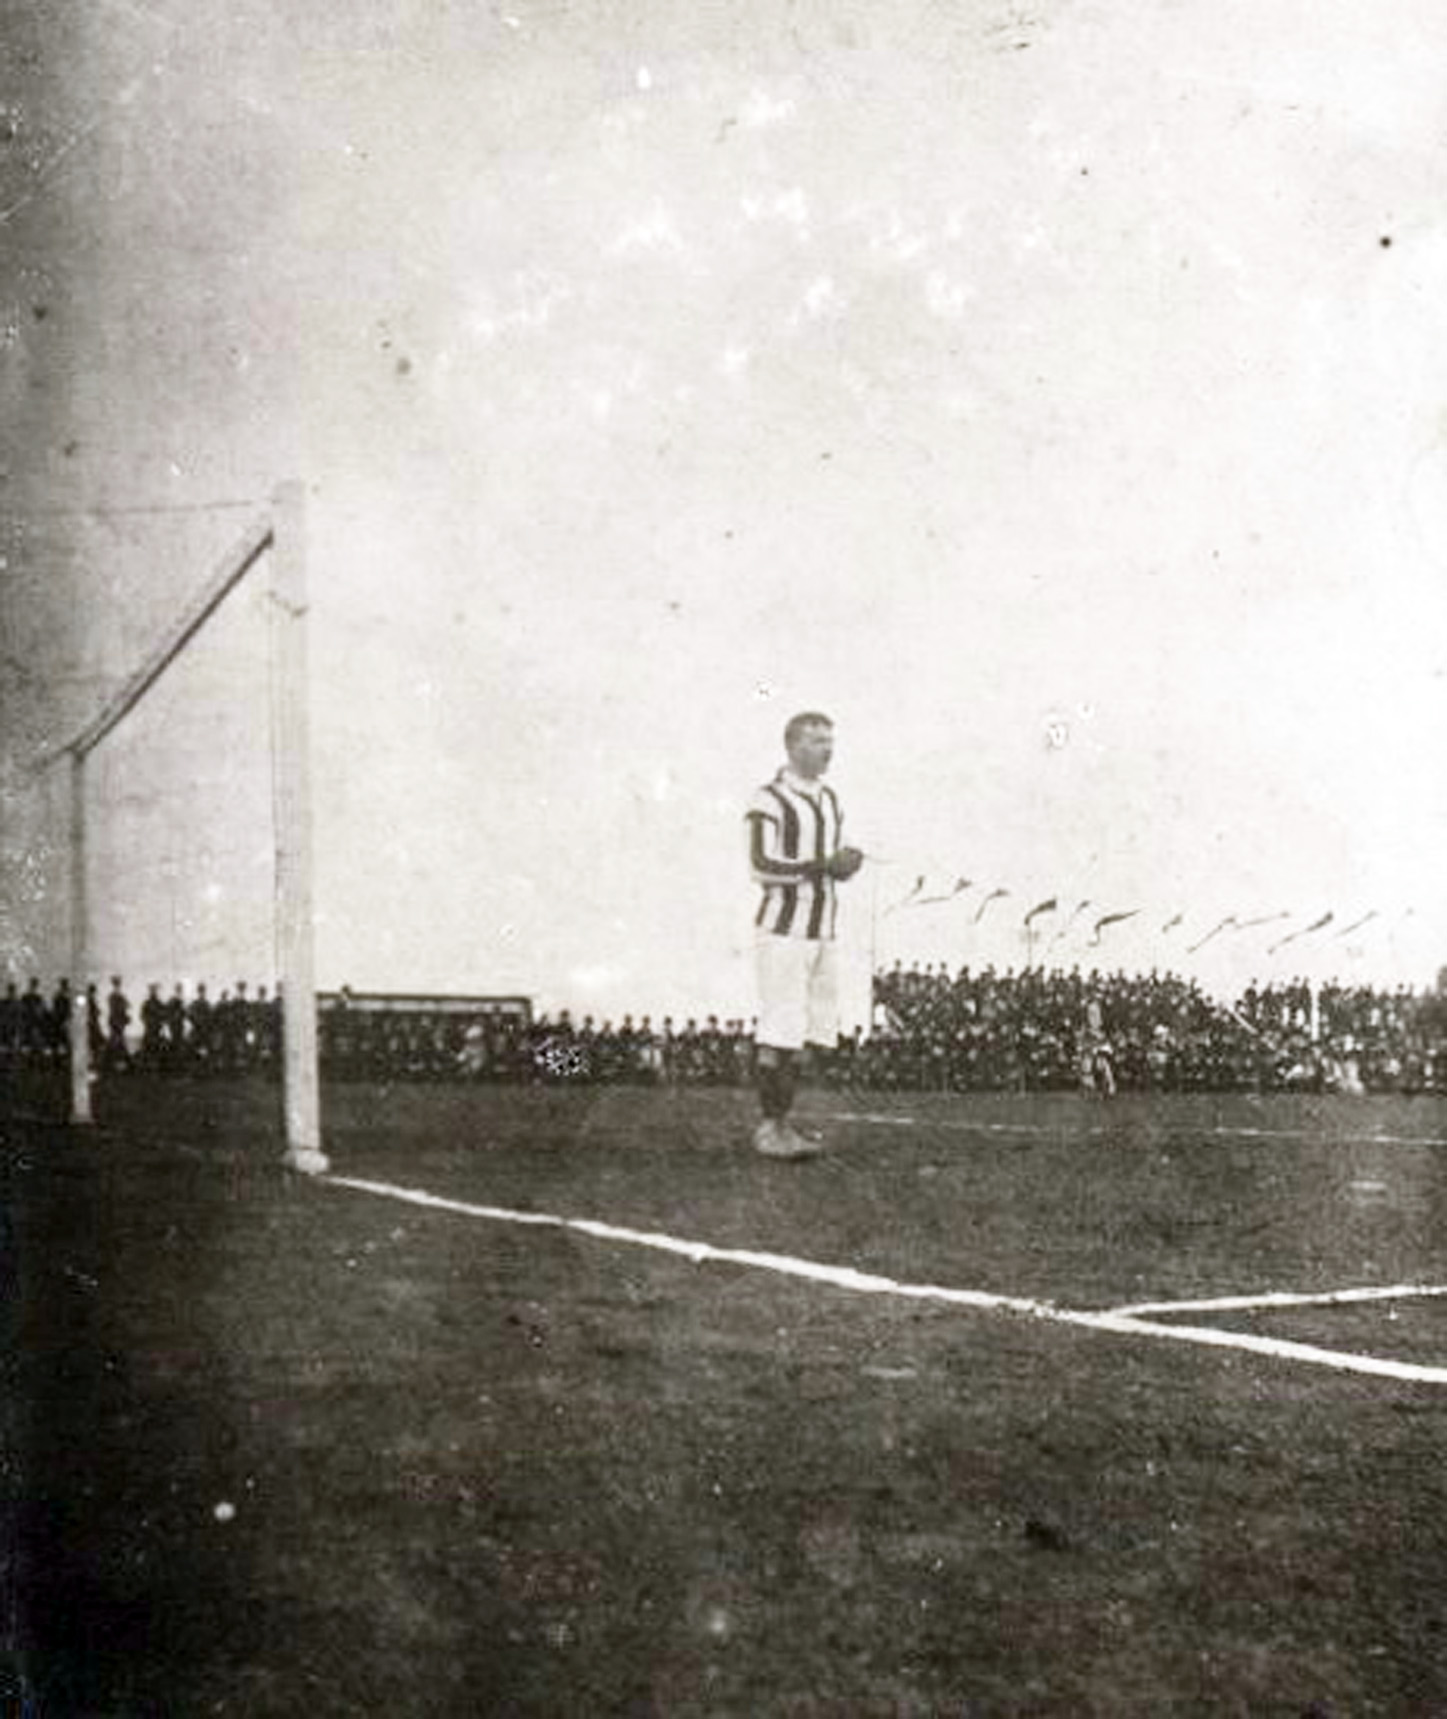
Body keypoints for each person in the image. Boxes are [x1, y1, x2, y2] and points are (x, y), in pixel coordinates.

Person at [744, 710, 863, 1158]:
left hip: (823, 931)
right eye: (816, 740)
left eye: (830, 740)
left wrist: (847, 863)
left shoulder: (830, 800)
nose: (826, 749)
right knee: (781, 1029)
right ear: (792, 746)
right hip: (783, 931)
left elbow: (832, 860)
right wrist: (822, 866)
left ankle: (782, 1124)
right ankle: (769, 1128)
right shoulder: (768, 799)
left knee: (809, 1034)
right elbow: (760, 865)